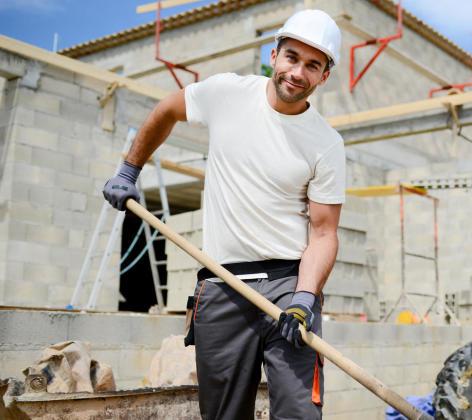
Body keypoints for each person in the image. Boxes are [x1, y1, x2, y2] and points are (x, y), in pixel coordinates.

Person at [102, 9, 345, 420]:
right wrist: (130, 169)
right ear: (274, 54)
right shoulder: (228, 93)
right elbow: (166, 109)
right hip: (220, 283)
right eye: (291, 58)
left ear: (324, 76)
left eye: (312, 65)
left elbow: (323, 233)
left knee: (300, 414)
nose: (298, 72)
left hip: (289, 287)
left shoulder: (325, 143)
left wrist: (305, 298)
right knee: (223, 415)